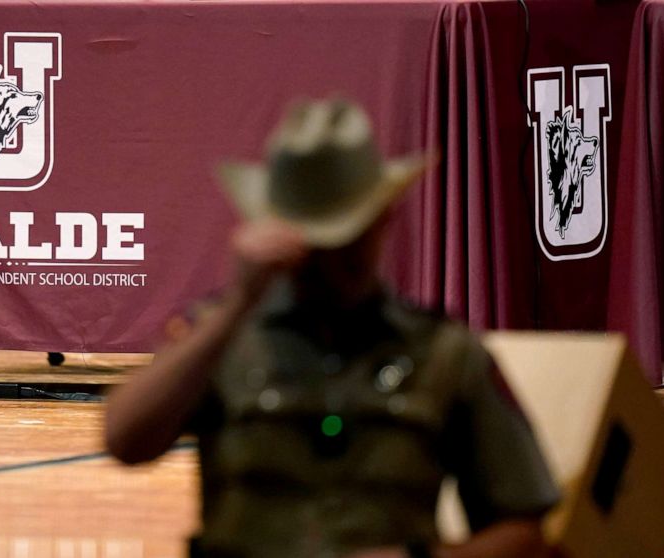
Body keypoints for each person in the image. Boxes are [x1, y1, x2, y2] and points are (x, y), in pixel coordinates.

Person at [105, 99, 559, 558]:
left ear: (383, 221)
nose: (329, 265)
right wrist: (236, 306)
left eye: (346, 243)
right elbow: (126, 440)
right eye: (313, 243)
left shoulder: (444, 353)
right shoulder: (223, 341)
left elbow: (525, 533)